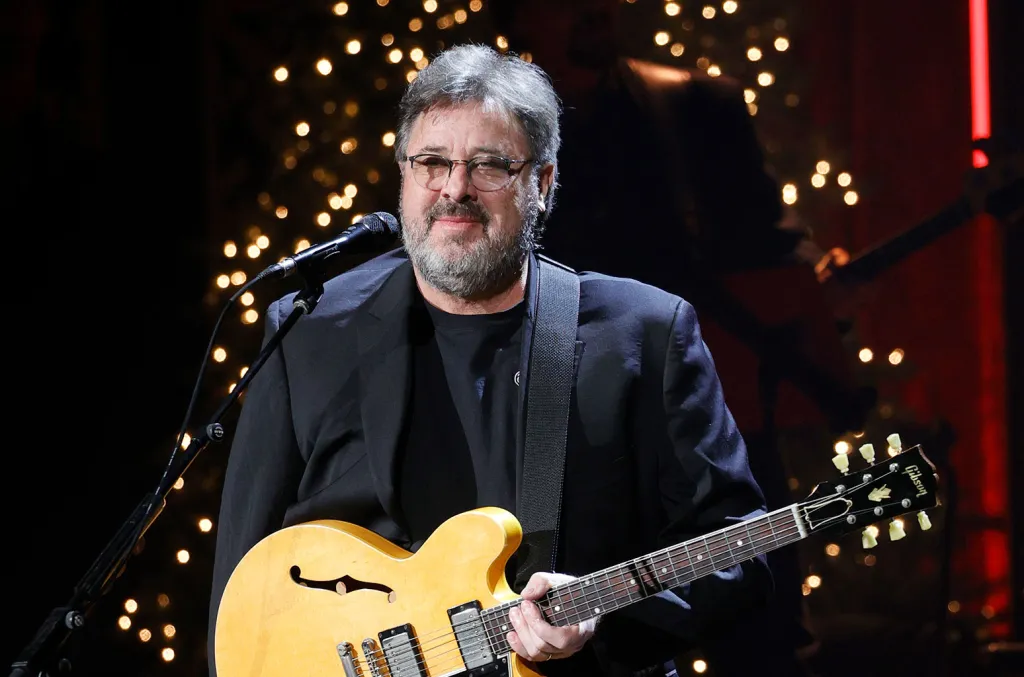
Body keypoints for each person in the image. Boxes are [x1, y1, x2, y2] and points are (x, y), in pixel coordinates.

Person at [208, 44, 772, 677]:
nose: (455, 189)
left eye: (489, 166)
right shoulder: (309, 330)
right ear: (403, 173)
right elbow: (240, 599)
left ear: (543, 183)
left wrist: (600, 621)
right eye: (432, 162)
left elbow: (739, 550)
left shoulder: (644, 335)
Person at [489, 3, 871, 675]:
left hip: (706, 397)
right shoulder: (495, 132)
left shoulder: (693, 105)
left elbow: (766, 238)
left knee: (760, 627)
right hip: (570, 426)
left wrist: (805, 281)